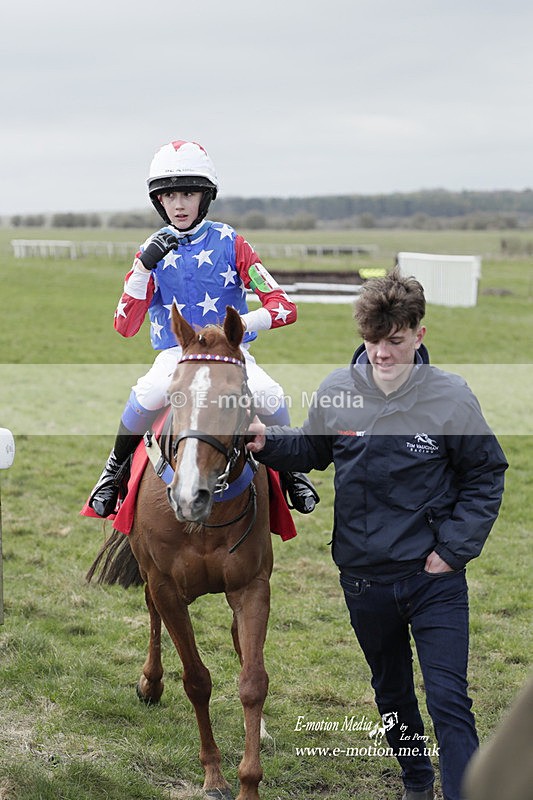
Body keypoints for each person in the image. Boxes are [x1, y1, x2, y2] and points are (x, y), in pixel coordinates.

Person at [247, 268, 508, 800]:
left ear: (419, 334)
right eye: (372, 342)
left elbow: (485, 473)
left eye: (395, 341)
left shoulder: (452, 398)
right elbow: (313, 451)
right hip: (364, 580)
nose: (382, 354)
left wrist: (452, 552)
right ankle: (416, 781)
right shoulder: (338, 391)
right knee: (391, 694)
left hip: (433, 580)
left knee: (448, 699)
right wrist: (263, 440)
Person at [88, 139, 318, 517]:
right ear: (158, 201)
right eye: (170, 195)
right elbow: (124, 326)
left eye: (188, 193)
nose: (179, 204)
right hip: (178, 354)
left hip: (230, 352)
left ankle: (292, 473)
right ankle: (113, 471)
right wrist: (143, 269)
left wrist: (239, 326)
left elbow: (284, 306)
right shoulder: (149, 250)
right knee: (148, 393)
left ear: (205, 197)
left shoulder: (231, 242)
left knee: (272, 397)